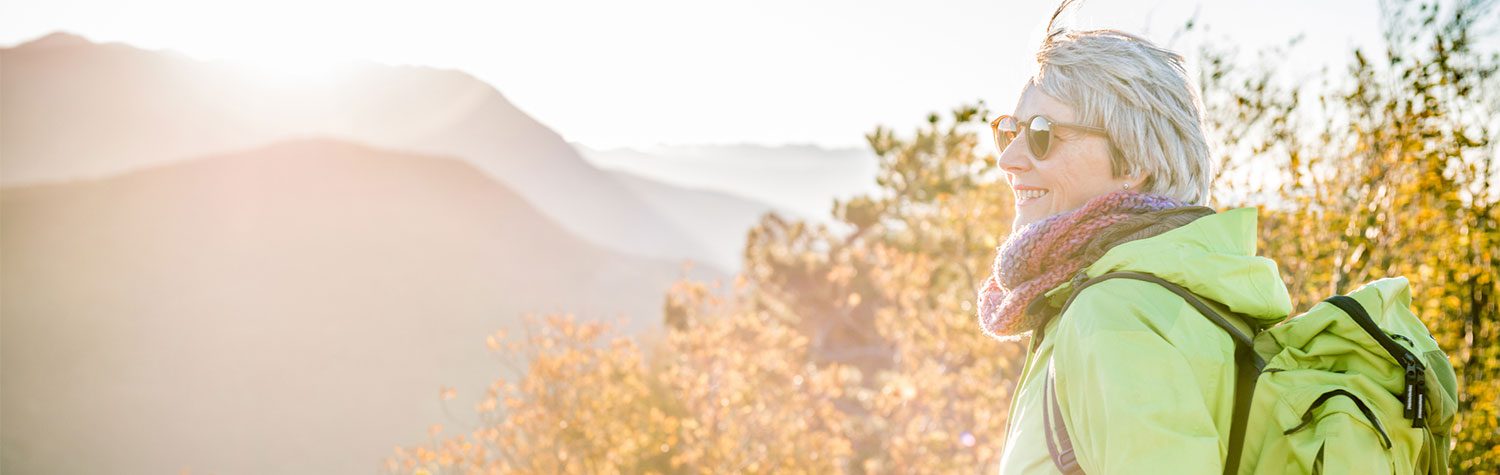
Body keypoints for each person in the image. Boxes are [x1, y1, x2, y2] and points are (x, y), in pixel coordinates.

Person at [975, 1, 1294, 473]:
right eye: (1011, 130)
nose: (1009, 159)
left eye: (1042, 133)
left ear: (1133, 163)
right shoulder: (1176, 294)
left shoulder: (1115, 313)